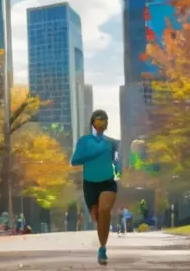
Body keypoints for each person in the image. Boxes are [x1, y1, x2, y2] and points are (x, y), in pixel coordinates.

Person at [71, 109, 120, 265]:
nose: (102, 122)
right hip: (90, 183)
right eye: (99, 119)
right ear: (93, 122)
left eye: (104, 119)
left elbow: (117, 160)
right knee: (97, 217)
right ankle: (102, 244)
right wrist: (96, 152)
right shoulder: (84, 141)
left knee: (105, 209)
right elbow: (75, 160)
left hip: (108, 182)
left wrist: (119, 168)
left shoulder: (112, 142)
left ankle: (102, 248)